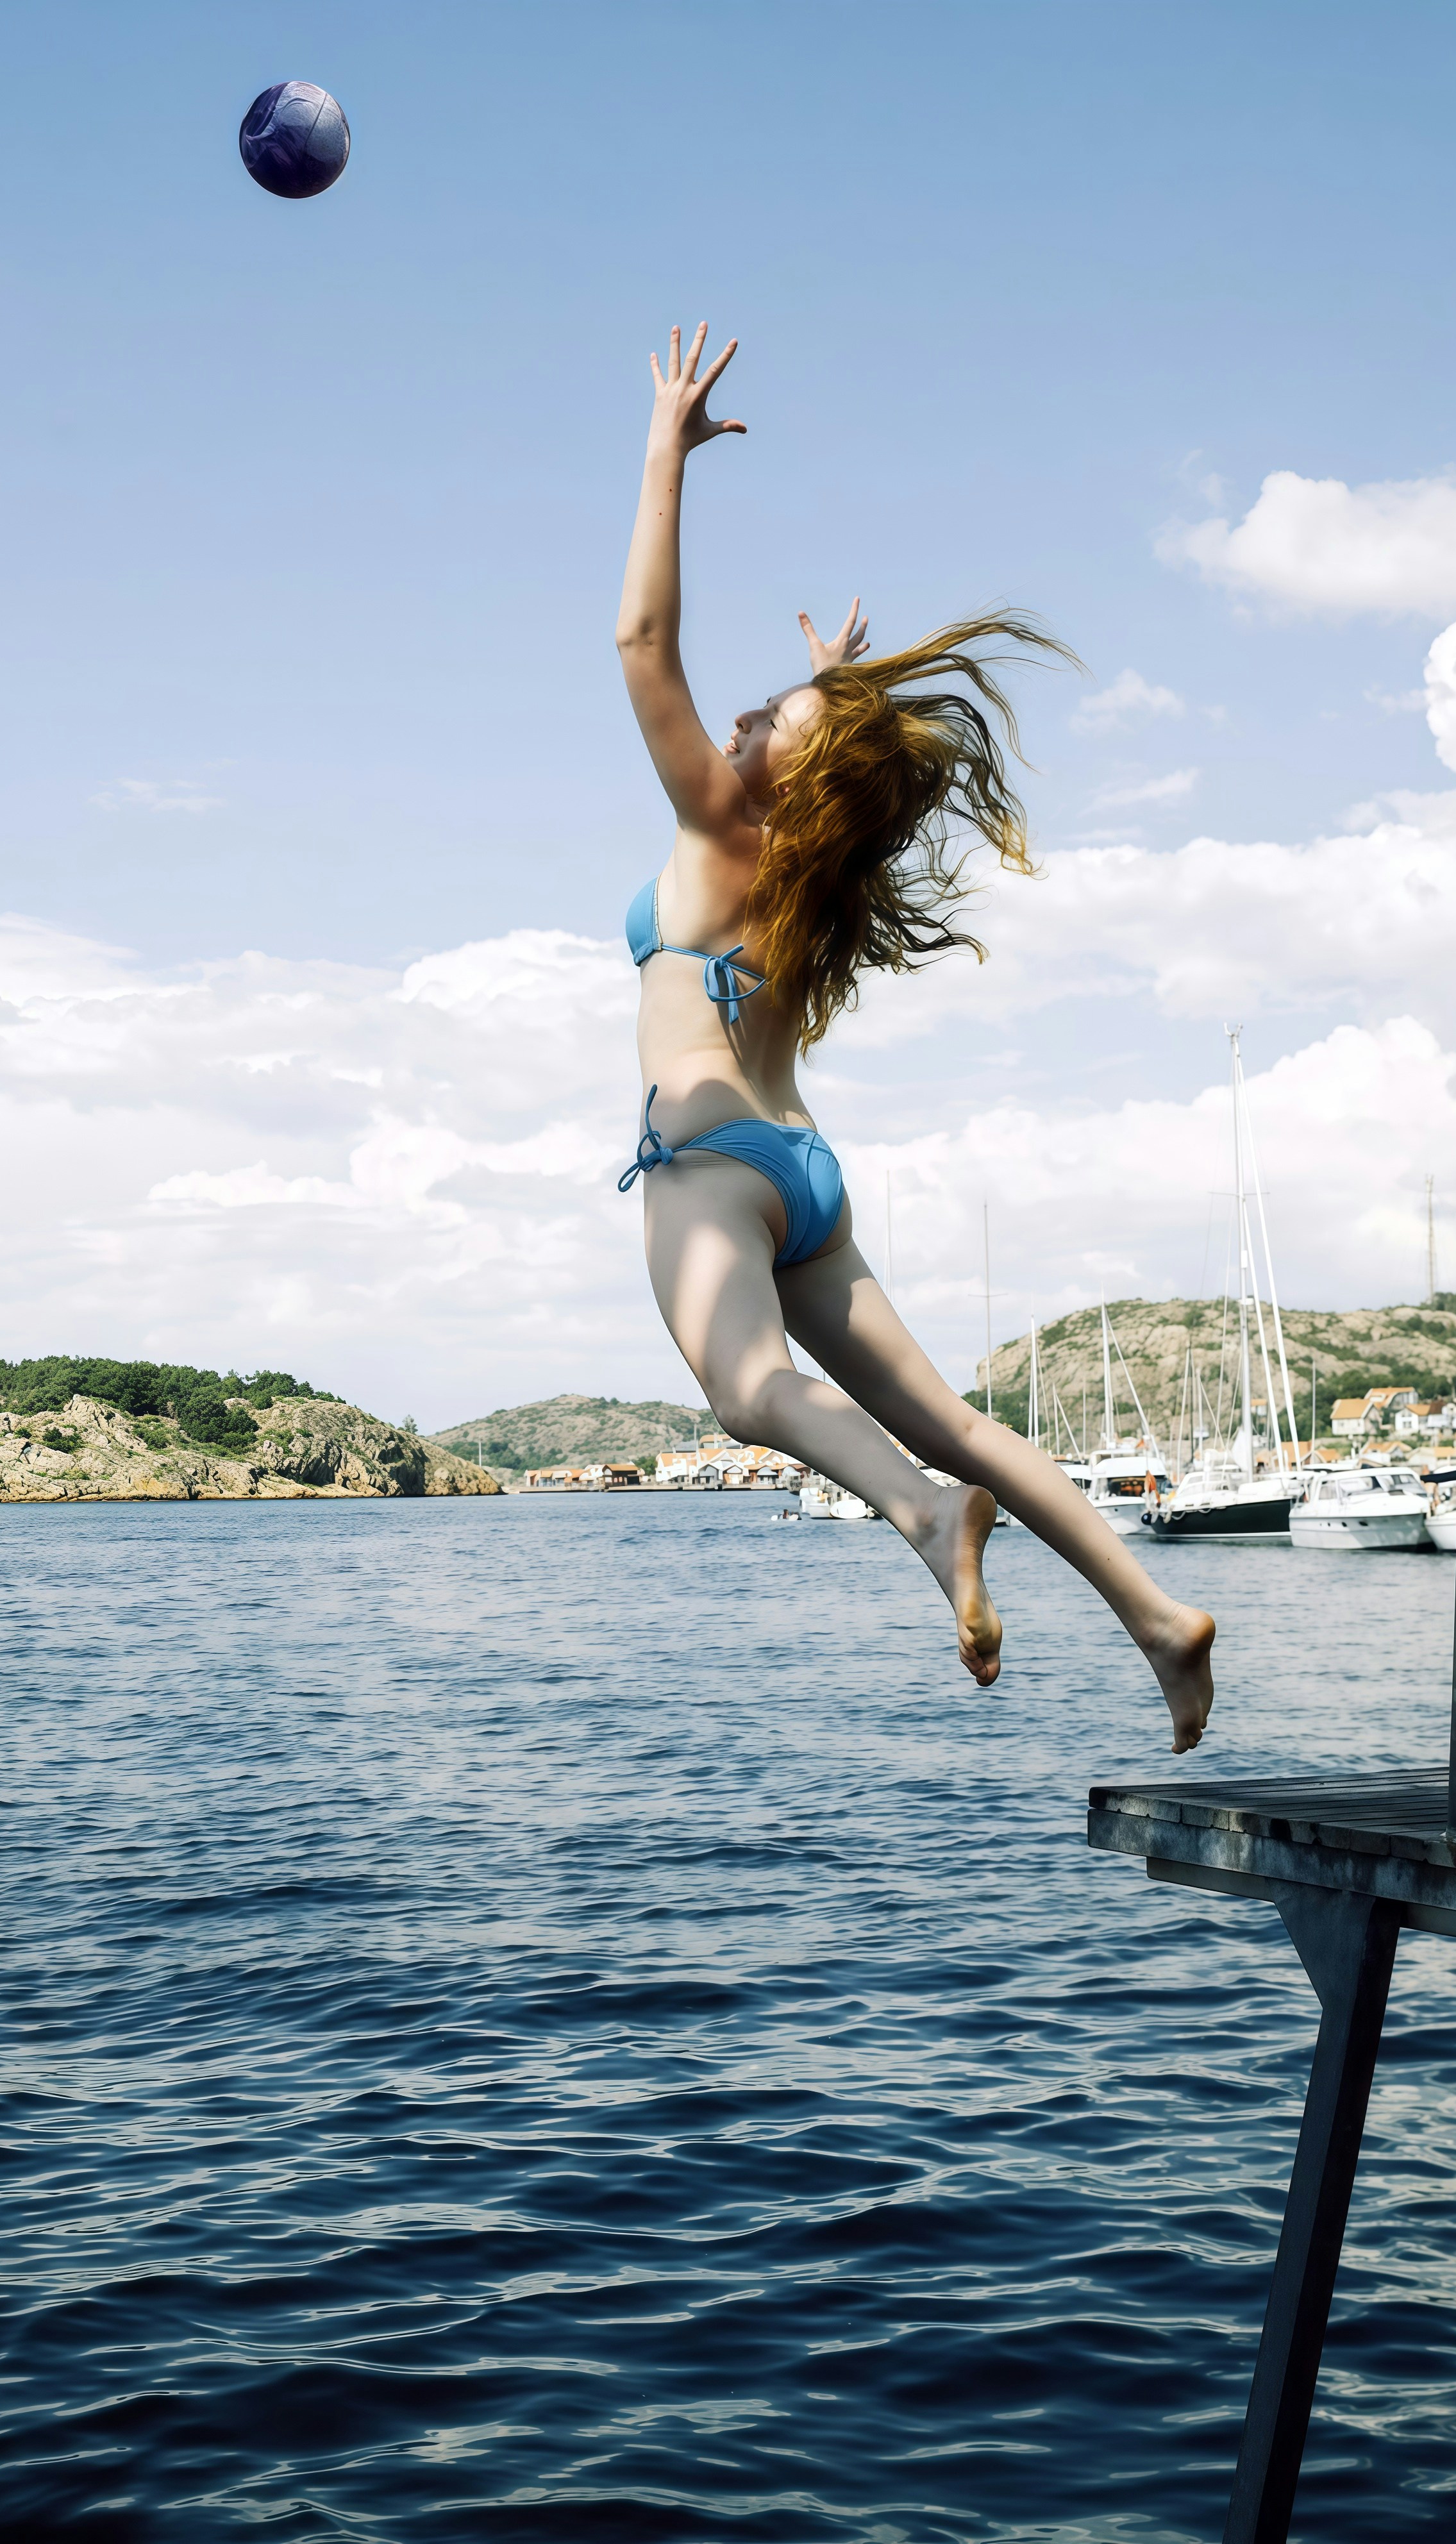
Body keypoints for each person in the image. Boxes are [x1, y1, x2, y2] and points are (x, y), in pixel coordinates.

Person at [612, 325, 1215, 1746]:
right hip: (804, 1177)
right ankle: (1158, 1617)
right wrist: (844, 698)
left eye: (773, 716)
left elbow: (642, 642)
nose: (748, 709)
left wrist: (664, 452)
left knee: (750, 1391)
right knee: (958, 1409)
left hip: (710, 1158)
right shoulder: (822, 876)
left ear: (782, 779)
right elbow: (834, 778)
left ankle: (921, 1513)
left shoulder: (720, 829)